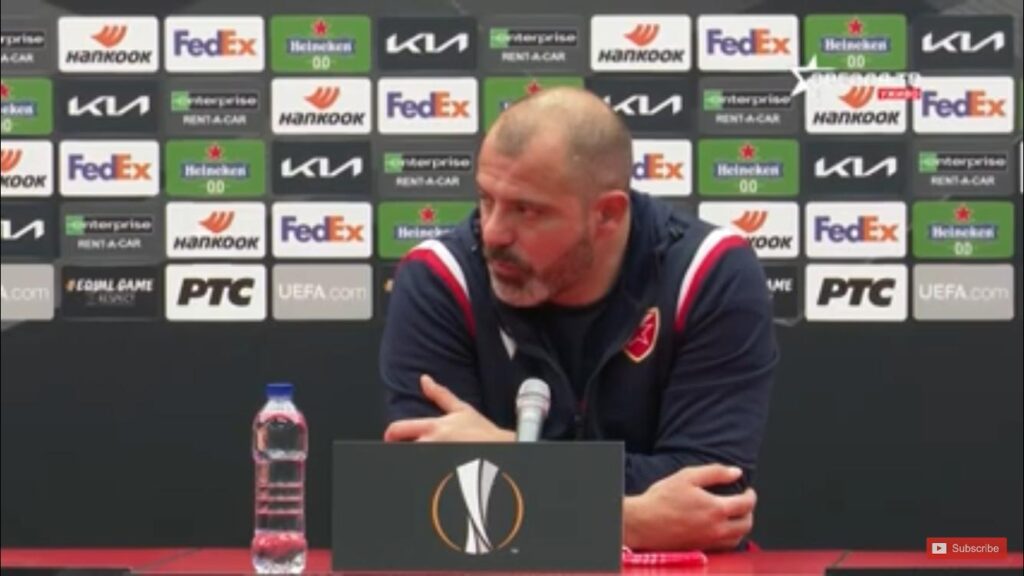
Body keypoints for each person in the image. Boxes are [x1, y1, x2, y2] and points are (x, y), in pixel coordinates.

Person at [379, 87, 778, 551]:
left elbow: (713, 500)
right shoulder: (439, 277)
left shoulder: (709, 273)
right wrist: (626, 522)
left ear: (607, 214)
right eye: (486, 199)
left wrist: (505, 452)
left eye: (527, 210)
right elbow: (436, 501)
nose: (493, 233)